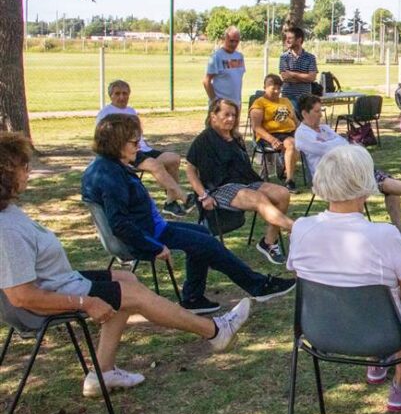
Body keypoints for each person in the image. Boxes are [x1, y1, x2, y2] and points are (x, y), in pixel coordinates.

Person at [0, 132, 252, 397]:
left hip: (61, 281)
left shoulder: (8, 213)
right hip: (44, 300)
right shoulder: (7, 229)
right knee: (131, 295)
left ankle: (103, 372)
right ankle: (215, 331)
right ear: (5, 176)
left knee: (125, 280)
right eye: (23, 167)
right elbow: (21, 297)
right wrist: (86, 303)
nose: (28, 172)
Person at [82, 115, 295, 313]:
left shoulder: (106, 167)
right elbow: (119, 223)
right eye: (134, 143)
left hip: (149, 227)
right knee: (207, 244)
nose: (139, 147)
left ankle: (193, 298)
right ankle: (259, 286)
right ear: (115, 144)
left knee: (202, 234)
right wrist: (154, 247)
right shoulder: (109, 176)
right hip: (146, 235)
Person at [286, 144, 401, 413]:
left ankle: (378, 364)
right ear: (364, 183)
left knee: (362, 295)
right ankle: (399, 385)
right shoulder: (384, 235)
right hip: (383, 334)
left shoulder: (301, 228)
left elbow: (304, 276)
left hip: (321, 330)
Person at [295, 95, 401, 244]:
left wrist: (338, 145)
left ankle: (399, 230)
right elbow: (330, 149)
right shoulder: (302, 134)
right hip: (329, 177)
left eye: (321, 111)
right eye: (317, 111)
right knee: (382, 184)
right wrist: (338, 144)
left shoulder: (324, 129)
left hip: (350, 169)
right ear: (305, 113)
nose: (321, 115)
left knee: (388, 184)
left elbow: (342, 143)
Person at [185, 98, 294, 266]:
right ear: (213, 116)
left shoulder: (236, 137)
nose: (231, 119)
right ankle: (297, 228)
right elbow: (190, 169)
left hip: (246, 181)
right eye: (226, 114)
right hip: (220, 188)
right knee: (259, 199)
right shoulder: (205, 139)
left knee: (282, 193)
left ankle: (268, 243)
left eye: (234, 115)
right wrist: (203, 195)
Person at [95, 79, 191, 217]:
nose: (121, 97)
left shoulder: (131, 111)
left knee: (174, 159)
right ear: (111, 95)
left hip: (141, 148)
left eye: (125, 93)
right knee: (155, 165)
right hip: (124, 152)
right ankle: (184, 197)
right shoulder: (105, 113)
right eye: (117, 94)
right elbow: (102, 138)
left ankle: (170, 202)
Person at [250, 74, 300, 192]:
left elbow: (296, 121)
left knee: (302, 143)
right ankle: (289, 181)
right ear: (265, 88)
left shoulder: (285, 101)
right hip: (270, 134)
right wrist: (272, 140)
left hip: (290, 132)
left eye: (279, 88)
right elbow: (256, 127)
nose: (277, 91)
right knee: (292, 144)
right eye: (273, 88)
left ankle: (285, 170)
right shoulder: (259, 103)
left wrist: (303, 132)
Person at [278, 26, 318, 115]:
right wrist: (305, 77)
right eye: (286, 38)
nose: (287, 40)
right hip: (288, 98)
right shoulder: (284, 57)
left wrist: (292, 74)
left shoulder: (310, 57)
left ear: (299, 40)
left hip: (305, 98)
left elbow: (312, 77)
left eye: (290, 38)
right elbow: (285, 77)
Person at [202, 26, 245, 105]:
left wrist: (239, 103)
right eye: (231, 41)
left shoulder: (240, 57)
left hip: (235, 105)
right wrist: (215, 101)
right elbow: (206, 81)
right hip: (220, 106)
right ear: (225, 39)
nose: (234, 44)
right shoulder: (216, 56)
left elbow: (238, 83)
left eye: (236, 41)